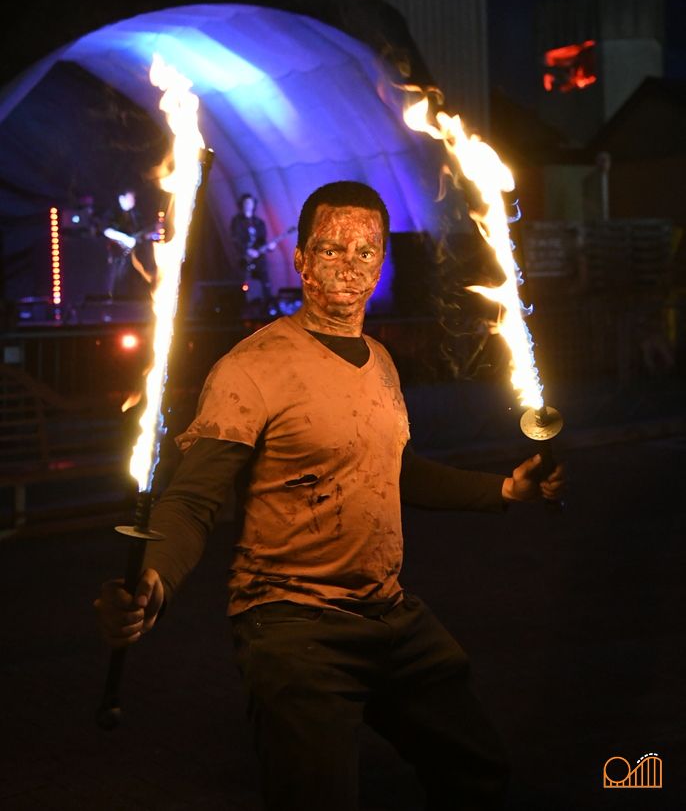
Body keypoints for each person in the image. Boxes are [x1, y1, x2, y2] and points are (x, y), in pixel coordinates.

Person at [95, 181, 565, 810]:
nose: (349, 265)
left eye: (365, 251)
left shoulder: (380, 362)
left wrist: (504, 488)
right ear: (301, 259)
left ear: (382, 261)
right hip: (293, 627)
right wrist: (153, 579)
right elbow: (192, 500)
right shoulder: (252, 368)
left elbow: (392, 471)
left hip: (388, 615)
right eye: (331, 249)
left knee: (476, 769)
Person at [102, 189, 158, 300]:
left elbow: (139, 234)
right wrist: (125, 238)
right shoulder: (114, 212)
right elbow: (107, 230)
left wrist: (152, 234)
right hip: (116, 255)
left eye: (133, 198)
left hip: (132, 256)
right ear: (121, 198)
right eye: (130, 198)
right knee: (116, 280)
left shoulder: (135, 215)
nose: (133, 201)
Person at [229, 192, 275, 307]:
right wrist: (246, 250)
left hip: (259, 258)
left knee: (265, 282)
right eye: (246, 203)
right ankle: (243, 306)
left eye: (250, 202)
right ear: (242, 204)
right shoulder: (237, 221)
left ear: (254, 204)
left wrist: (269, 247)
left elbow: (262, 240)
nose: (248, 205)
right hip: (244, 258)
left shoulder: (259, 223)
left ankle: (268, 307)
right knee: (244, 283)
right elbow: (235, 239)